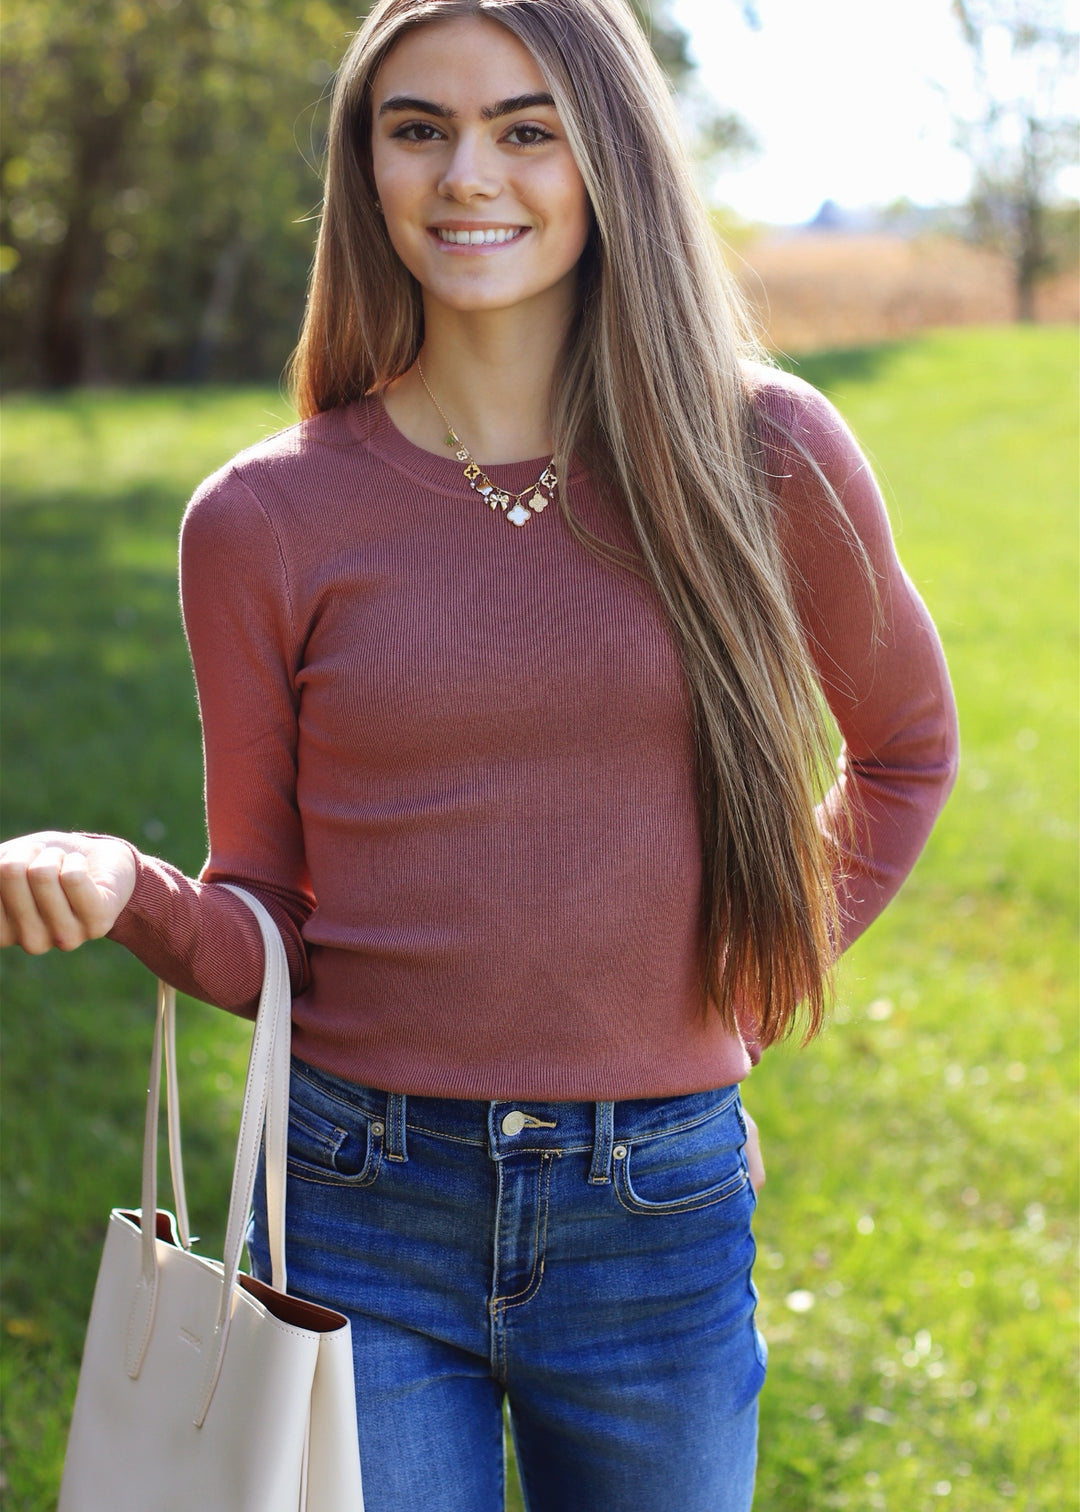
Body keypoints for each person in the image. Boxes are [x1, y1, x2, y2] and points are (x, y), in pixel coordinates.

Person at [0, 1, 959, 1507]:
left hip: (656, 1208)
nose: (469, 176)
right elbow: (270, 930)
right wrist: (127, 888)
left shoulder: (760, 452)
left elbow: (904, 753)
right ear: (364, 168)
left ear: (610, 157)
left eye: (527, 129)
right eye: (418, 128)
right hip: (351, 1212)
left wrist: (734, 1007)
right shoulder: (261, 521)